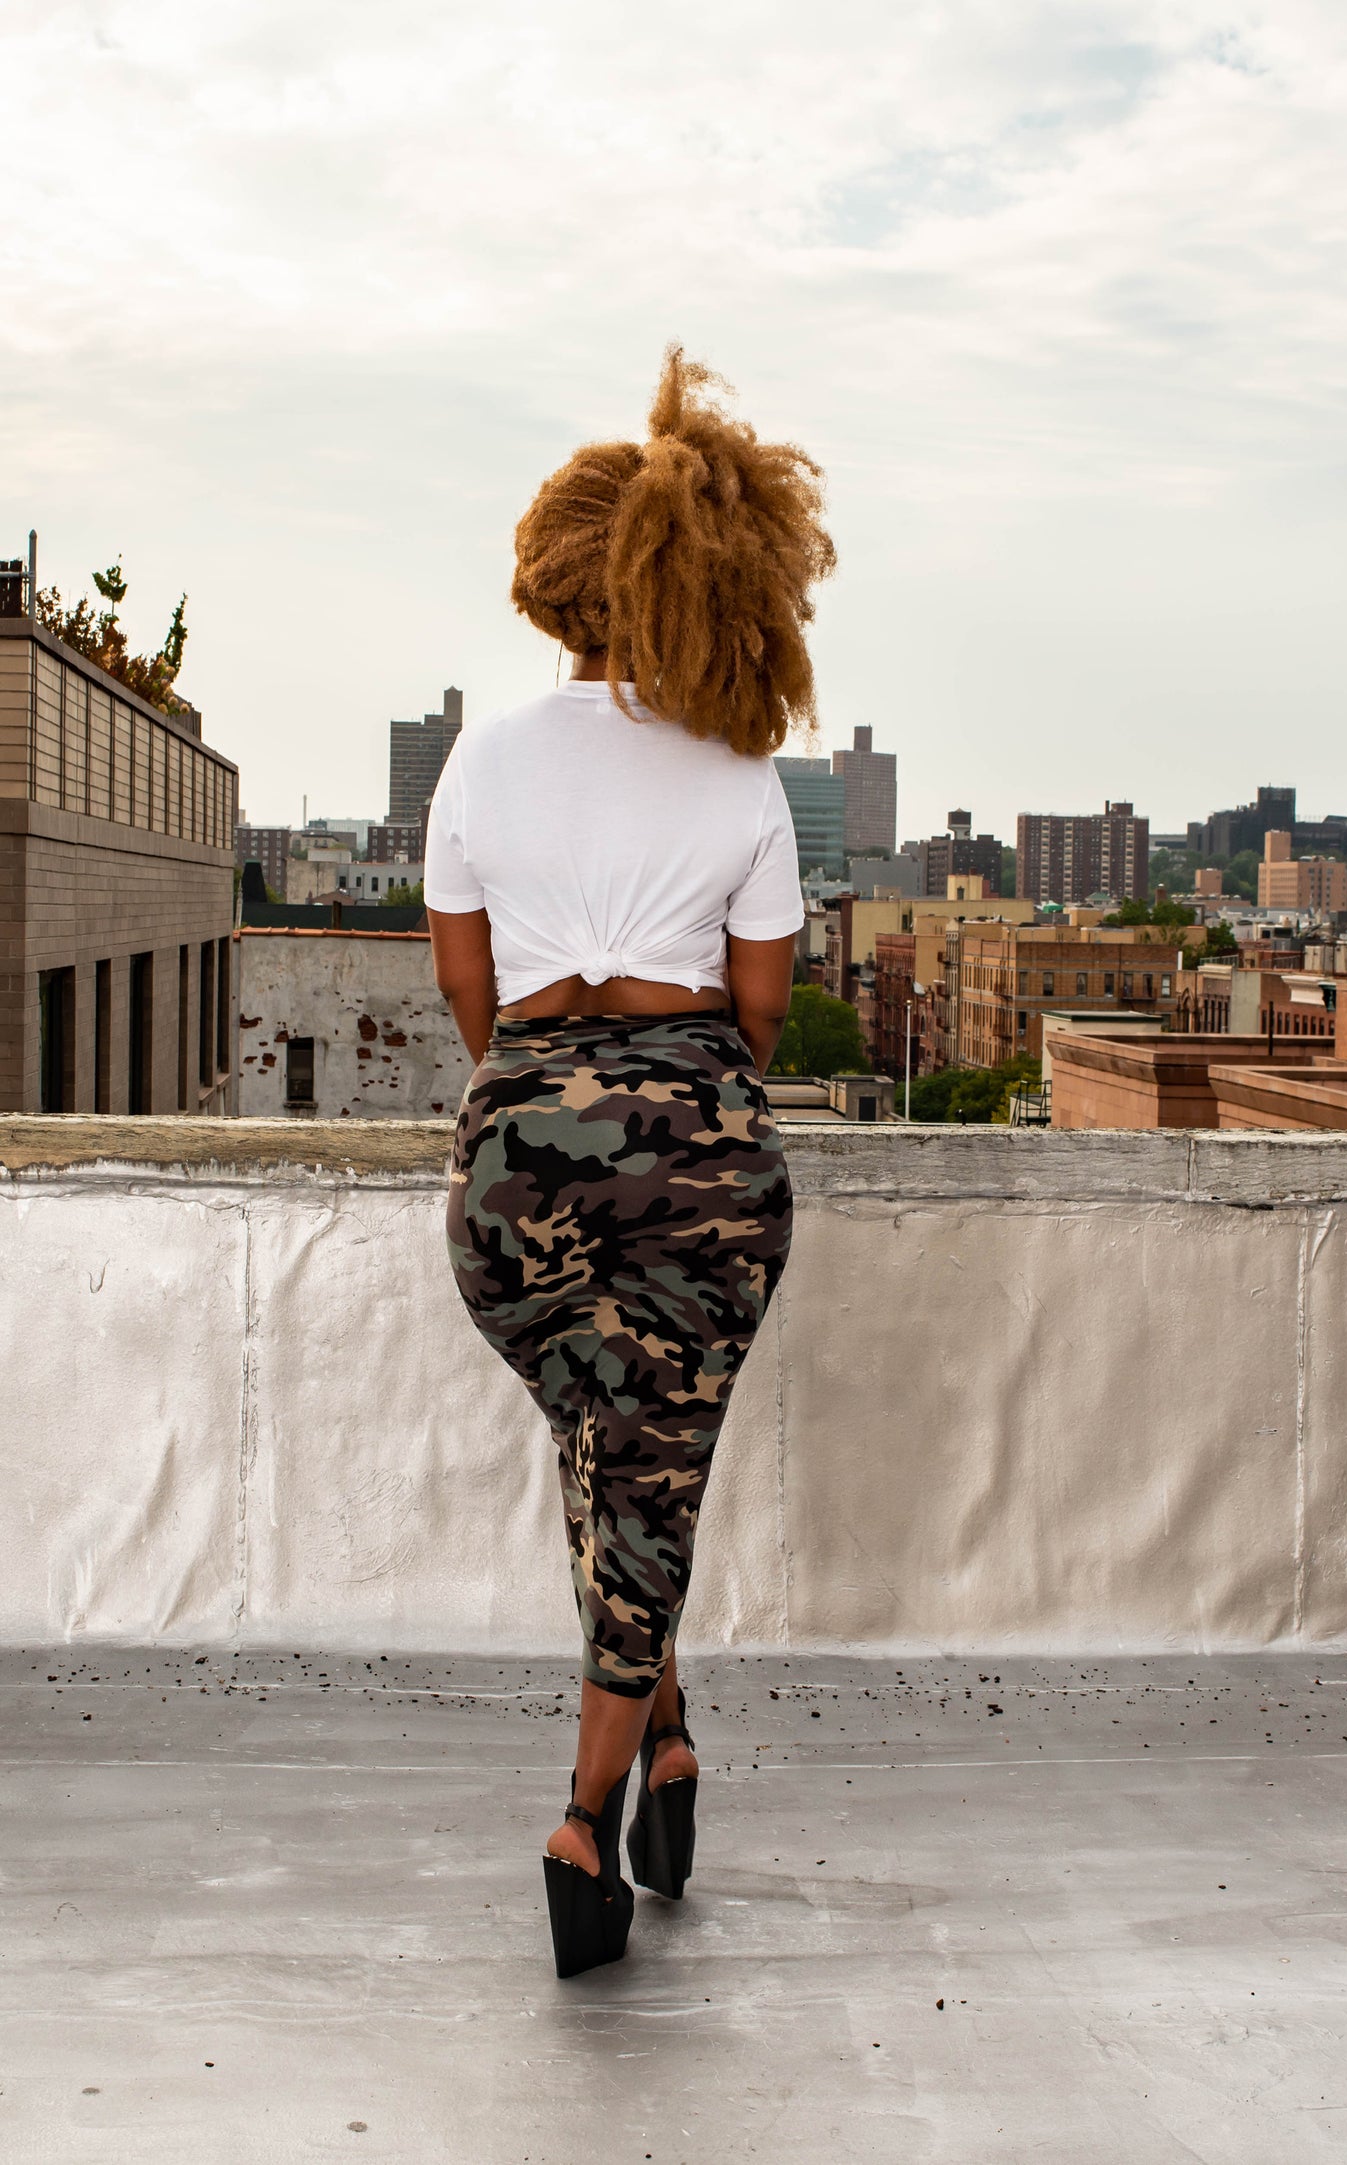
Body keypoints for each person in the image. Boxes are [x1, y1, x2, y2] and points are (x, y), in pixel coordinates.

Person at [424, 348, 834, 1978]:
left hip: (514, 1153)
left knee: (607, 1468)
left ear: (560, 585)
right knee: (649, 1474)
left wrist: (542, 1101)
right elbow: (759, 1011)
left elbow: (467, 989)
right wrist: (659, 1096)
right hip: (694, 1150)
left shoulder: (477, 756)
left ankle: (664, 1746)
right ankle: (585, 1823)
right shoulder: (740, 768)